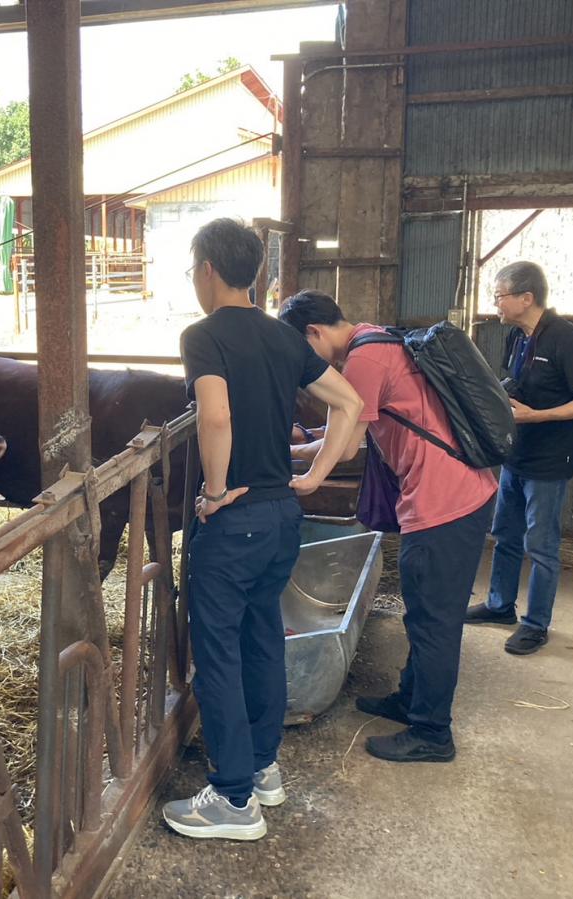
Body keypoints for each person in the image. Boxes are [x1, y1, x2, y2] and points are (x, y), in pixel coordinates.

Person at [162, 220, 363, 841]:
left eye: (193, 270)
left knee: (218, 655)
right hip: (282, 516)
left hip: (237, 519)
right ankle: (263, 769)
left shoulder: (203, 336)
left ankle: (233, 800)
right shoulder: (282, 336)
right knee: (262, 641)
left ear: (207, 270)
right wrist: (315, 475)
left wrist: (215, 491)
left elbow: (215, 416)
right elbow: (350, 404)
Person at [279, 290, 497, 763]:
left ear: (313, 332)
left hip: (445, 502)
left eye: (301, 350)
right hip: (452, 493)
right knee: (422, 611)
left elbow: (347, 444)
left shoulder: (365, 360)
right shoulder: (374, 341)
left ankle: (432, 733)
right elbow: (342, 431)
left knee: (434, 621)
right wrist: (295, 447)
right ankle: (411, 699)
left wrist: (309, 475)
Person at [465, 261, 573, 654]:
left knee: (541, 545)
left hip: (549, 460)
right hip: (516, 454)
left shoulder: (566, 338)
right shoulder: (517, 336)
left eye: (499, 296)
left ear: (526, 298)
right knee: (505, 535)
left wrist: (537, 415)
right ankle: (500, 606)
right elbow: (515, 383)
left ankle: (536, 624)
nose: (496, 303)